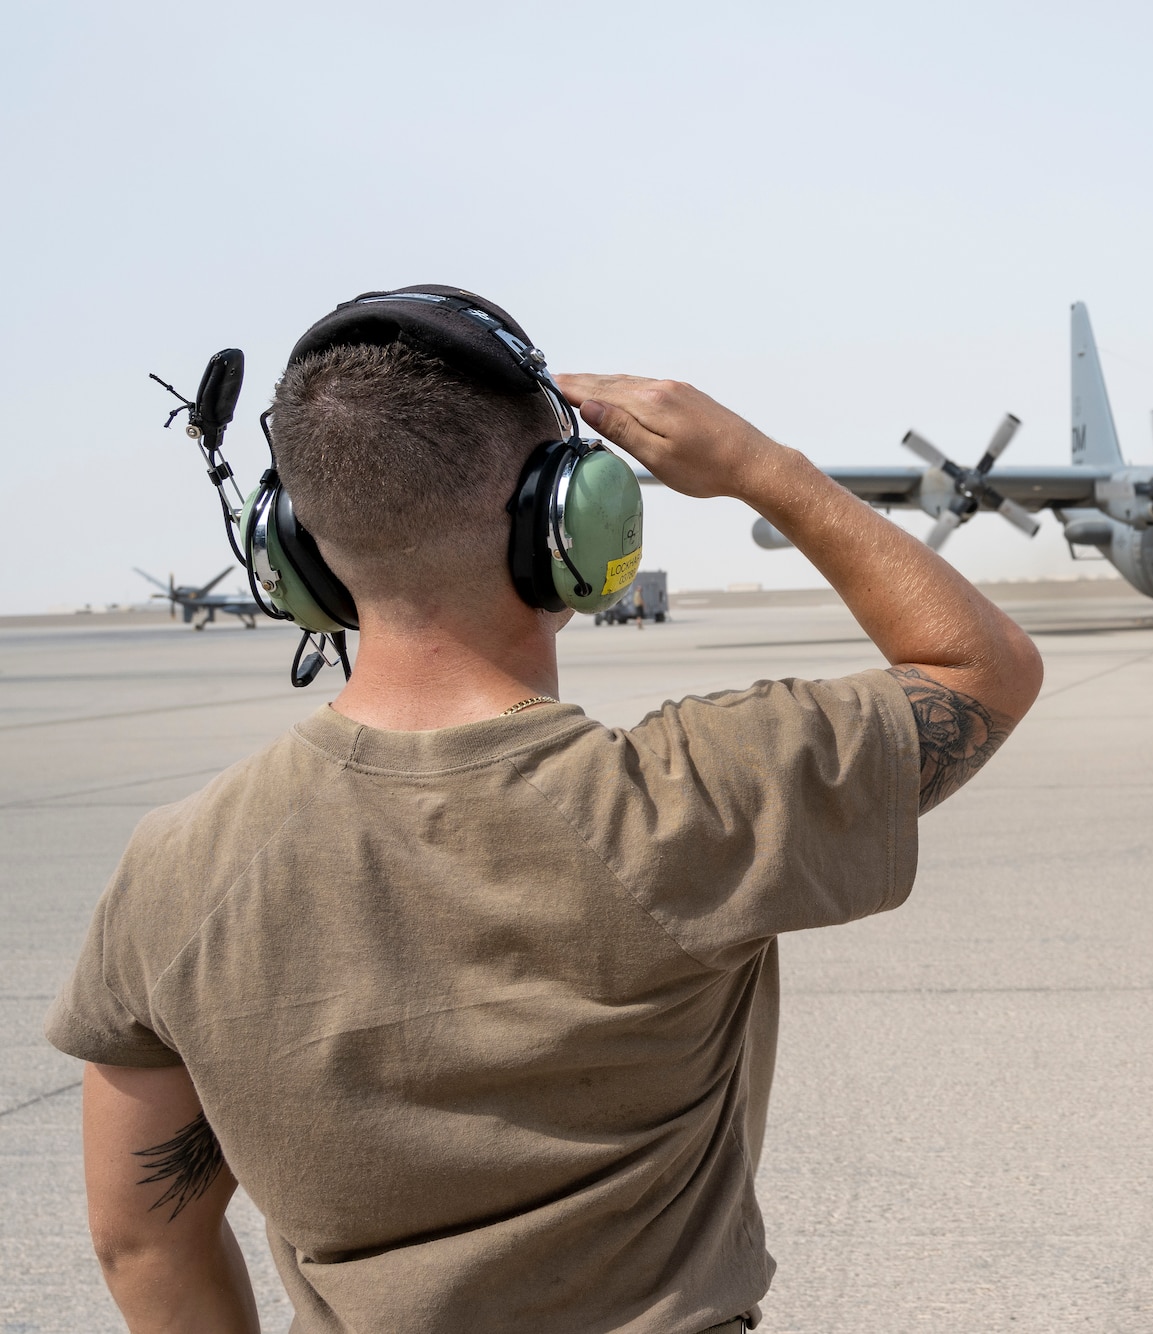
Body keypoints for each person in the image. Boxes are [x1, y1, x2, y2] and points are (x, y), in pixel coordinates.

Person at [46, 288, 1042, 1334]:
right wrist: (761, 468)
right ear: (571, 520)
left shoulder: (172, 868)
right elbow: (982, 667)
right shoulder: (701, 794)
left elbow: (144, 1237)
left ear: (293, 546)